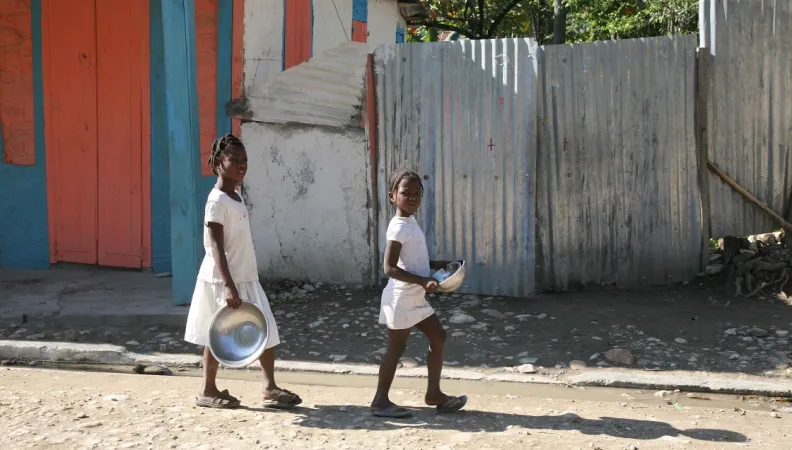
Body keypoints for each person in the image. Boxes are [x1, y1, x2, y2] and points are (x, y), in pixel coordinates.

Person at [184, 133, 302, 410]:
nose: (241, 165)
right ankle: (207, 389)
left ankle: (269, 387)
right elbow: (215, 246)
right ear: (216, 163)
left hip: (246, 276)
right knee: (217, 334)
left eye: (244, 160)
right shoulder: (216, 201)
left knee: (268, 330)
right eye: (233, 159)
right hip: (223, 279)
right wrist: (228, 285)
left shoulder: (235, 196)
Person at [370, 169, 467, 418]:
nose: (412, 197)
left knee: (439, 337)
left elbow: (412, 260)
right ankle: (380, 401)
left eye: (417, 193)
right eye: (405, 193)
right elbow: (389, 268)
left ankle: (433, 393)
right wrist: (424, 280)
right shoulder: (398, 227)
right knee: (396, 348)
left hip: (415, 296)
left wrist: (437, 265)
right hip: (401, 298)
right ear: (392, 196)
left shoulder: (410, 222)